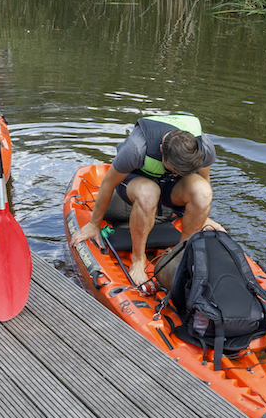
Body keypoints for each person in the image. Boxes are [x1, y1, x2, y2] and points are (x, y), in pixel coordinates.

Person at [69, 113, 217, 288]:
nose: (177, 174)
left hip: (170, 187)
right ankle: (138, 259)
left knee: (203, 192)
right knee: (149, 193)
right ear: (162, 150)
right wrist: (94, 224)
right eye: (175, 169)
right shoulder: (136, 149)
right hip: (136, 181)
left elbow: (204, 180)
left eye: (182, 172)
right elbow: (108, 184)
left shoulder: (203, 148)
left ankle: (181, 252)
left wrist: (201, 214)